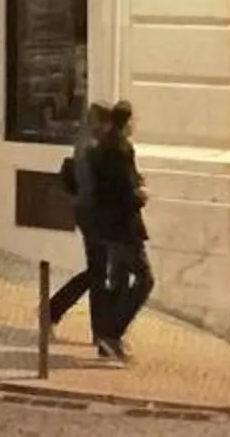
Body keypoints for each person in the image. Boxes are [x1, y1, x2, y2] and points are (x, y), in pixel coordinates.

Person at [41, 105, 113, 336]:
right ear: (100, 123)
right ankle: (53, 310)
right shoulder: (92, 148)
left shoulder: (85, 143)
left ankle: (96, 329)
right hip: (94, 214)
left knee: (98, 271)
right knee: (98, 272)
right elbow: (93, 188)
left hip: (87, 213)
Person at [89, 101, 153, 361]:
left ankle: (106, 338)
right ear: (126, 122)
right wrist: (140, 195)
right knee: (145, 279)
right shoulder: (122, 149)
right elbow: (125, 191)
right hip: (125, 228)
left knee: (117, 281)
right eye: (133, 121)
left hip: (107, 226)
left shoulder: (102, 145)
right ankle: (112, 333)